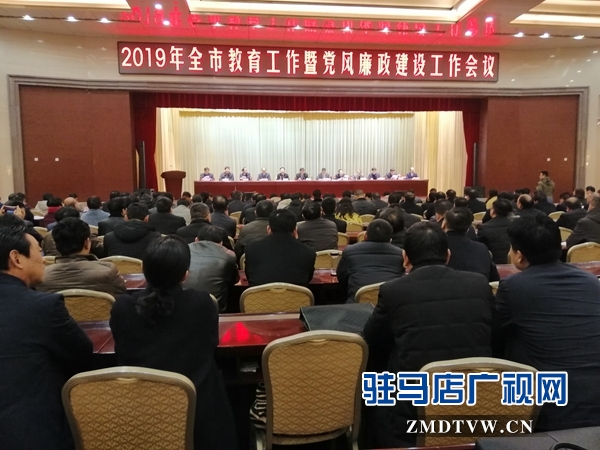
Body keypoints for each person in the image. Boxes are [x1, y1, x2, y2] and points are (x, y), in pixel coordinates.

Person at [363, 221, 494, 448]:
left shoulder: (394, 290)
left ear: (405, 258)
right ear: (448, 255)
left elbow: (372, 339)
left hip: (412, 410)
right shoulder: (480, 284)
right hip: (477, 397)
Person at [110, 236, 237, 450]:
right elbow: (211, 344)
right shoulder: (202, 303)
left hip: (139, 410)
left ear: (144, 270)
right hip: (198, 414)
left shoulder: (122, 307)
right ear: (185, 274)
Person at [496, 215, 600, 432]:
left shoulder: (513, 287)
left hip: (549, 410)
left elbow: (497, 336)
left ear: (519, 256)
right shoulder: (592, 282)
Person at [0, 214, 92, 450]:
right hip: (29, 434)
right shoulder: (42, 307)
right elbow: (83, 355)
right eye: (38, 251)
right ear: (16, 258)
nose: (43, 259)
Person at [37, 218, 126, 296]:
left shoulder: (41, 276)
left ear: (56, 245)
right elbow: (121, 298)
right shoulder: (108, 271)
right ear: (87, 243)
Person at [337, 219, 404, 302]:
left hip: (357, 304)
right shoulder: (400, 253)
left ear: (365, 236)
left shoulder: (349, 251)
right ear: (390, 240)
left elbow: (341, 277)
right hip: (392, 302)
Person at [244, 209, 316, 286]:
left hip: (258, 294)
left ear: (268, 229)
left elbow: (249, 276)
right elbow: (308, 279)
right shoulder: (309, 252)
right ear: (295, 230)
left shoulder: (251, 249)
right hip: (296, 294)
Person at [184, 226, 239, 311]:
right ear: (220, 243)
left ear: (196, 240)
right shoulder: (229, 255)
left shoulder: (183, 249)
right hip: (215, 309)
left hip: (181, 305)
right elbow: (234, 280)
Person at [443, 208, 499, 281]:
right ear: (468, 228)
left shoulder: (437, 247)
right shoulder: (482, 248)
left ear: (444, 224)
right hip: (479, 286)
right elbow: (493, 278)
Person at [477, 198, 513, 264]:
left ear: (493, 211)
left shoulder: (484, 228)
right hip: (514, 263)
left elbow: (481, 251)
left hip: (493, 263)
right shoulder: (515, 225)